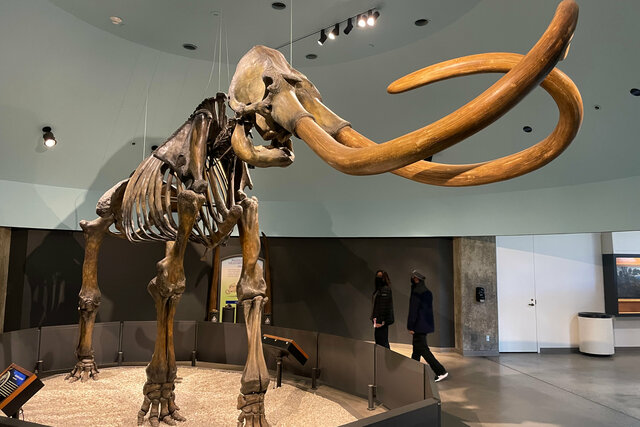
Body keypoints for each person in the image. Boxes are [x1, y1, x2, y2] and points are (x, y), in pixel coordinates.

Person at [407, 269, 448, 382]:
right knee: (416, 350)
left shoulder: (417, 292)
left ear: (416, 279)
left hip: (417, 326)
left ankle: (441, 371)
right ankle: (413, 370)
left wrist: (410, 326)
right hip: (424, 325)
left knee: (424, 350)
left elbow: (413, 311)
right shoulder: (427, 291)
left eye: (413, 278)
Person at [371, 270, 394, 349]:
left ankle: (387, 360)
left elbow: (384, 307)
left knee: (383, 342)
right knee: (380, 342)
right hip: (377, 321)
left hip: (381, 322)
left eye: (380, 277)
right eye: (377, 276)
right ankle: (382, 360)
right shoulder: (379, 289)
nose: (378, 278)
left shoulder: (385, 289)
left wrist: (380, 322)